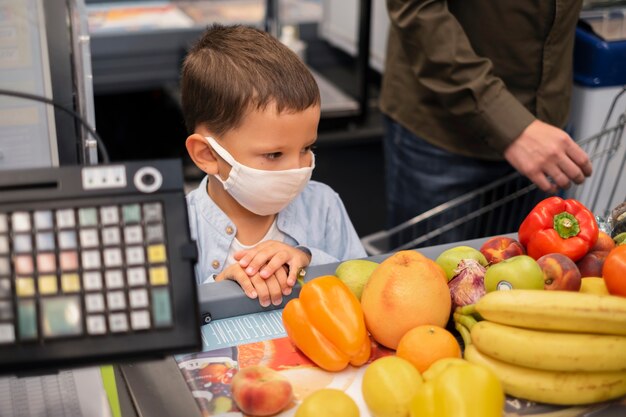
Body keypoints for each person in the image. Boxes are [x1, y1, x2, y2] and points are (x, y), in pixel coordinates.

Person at [182, 24, 367, 308]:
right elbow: (168, 321)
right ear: (207, 155)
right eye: (274, 155)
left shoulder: (323, 205)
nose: (298, 169)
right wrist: (220, 290)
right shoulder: (181, 227)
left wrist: (309, 260)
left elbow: (365, 288)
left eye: (307, 148)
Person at [380, 1, 593, 230]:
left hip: (547, 133)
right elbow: (417, 10)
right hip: (445, 131)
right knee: (431, 264)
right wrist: (511, 125)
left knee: (536, 262)